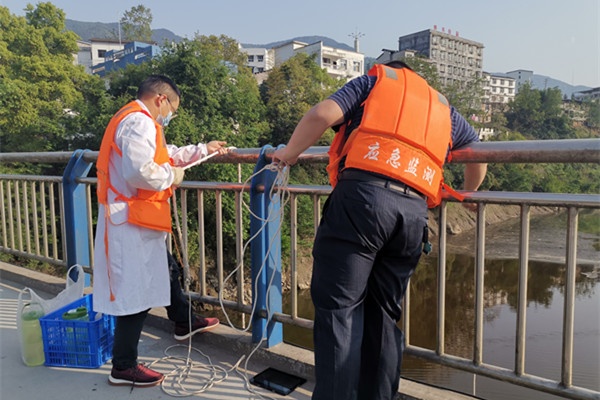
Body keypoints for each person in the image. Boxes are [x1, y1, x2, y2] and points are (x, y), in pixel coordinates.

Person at [272, 61, 487, 400]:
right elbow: (477, 155)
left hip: (362, 202)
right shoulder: (443, 108)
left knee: (340, 311)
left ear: (389, 70)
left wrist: (289, 154)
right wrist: (468, 195)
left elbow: (322, 114)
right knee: (384, 316)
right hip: (413, 216)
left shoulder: (374, 82)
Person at [93, 75, 228, 387]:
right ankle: (123, 366)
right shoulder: (138, 122)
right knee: (134, 294)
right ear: (161, 99)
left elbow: (163, 156)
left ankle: (183, 320)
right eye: (173, 108)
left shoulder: (132, 120)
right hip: (129, 223)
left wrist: (202, 150)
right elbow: (141, 172)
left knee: (167, 269)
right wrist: (172, 176)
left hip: (138, 219)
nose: (171, 116)